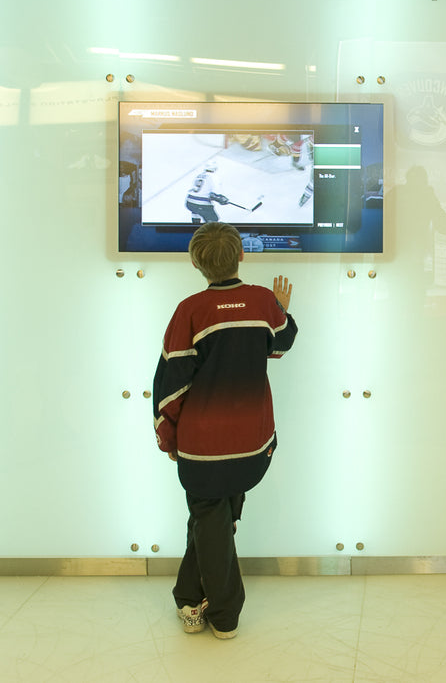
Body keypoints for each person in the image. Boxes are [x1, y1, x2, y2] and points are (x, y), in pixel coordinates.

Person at [152, 221, 298, 639]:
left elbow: (170, 386)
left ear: (197, 263)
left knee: (208, 516)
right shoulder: (262, 301)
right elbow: (280, 344)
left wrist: (167, 437)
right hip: (252, 443)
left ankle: (223, 615)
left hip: (203, 446)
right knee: (214, 517)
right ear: (242, 255)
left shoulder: (190, 309)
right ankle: (188, 596)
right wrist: (281, 308)